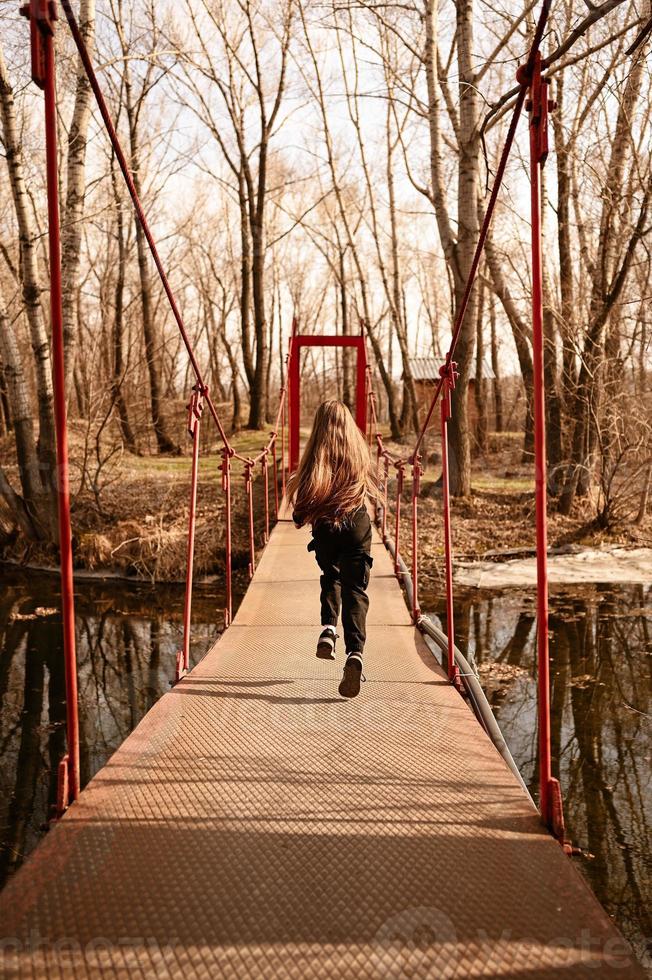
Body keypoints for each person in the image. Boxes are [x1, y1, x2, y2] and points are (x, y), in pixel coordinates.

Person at [288, 400, 374, 699]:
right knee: (356, 590)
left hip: (325, 529)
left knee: (331, 576)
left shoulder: (315, 457)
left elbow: (301, 509)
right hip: (357, 526)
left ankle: (328, 630)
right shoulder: (359, 453)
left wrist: (300, 516)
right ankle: (355, 654)